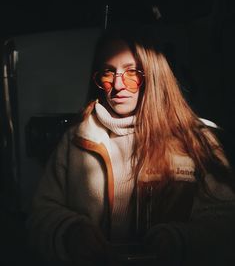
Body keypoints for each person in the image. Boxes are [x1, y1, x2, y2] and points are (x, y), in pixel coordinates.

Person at [28, 24, 235, 266]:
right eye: (107, 72)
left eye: (131, 72)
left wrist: (180, 240)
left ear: (154, 74)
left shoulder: (196, 139)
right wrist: (68, 231)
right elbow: (39, 215)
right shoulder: (75, 140)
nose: (117, 85)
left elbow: (226, 220)